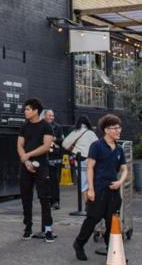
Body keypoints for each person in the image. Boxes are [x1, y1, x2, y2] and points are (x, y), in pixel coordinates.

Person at [73, 114, 128, 261]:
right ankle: (79, 244)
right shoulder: (96, 146)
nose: (118, 131)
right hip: (98, 189)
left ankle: (113, 251)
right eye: (114, 128)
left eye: (119, 127)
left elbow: (124, 169)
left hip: (113, 190)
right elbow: (89, 168)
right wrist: (90, 189)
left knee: (112, 223)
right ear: (106, 130)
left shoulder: (119, 149)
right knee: (92, 219)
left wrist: (120, 182)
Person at [17, 99, 56, 242]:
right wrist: (26, 160)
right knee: (26, 198)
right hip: (25, 166)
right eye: (25, 109)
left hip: (41, 166)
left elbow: (46, 146)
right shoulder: (24, 126)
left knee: (44, 198)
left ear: (35, 111)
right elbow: (19, 145)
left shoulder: (46, 126)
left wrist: (29, 155)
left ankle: (48, 229)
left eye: (28, 109)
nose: (25, 112)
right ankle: (28, 228)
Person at [62, 114, 98, 207]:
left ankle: (87, 205)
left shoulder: (76, 131)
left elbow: (64, 144)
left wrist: (73, 148)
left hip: (80, 160)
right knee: (92, 182)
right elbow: (98, 146)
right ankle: (94, 204)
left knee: (83, 184)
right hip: (92, 161)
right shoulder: (92, 133)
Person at [43, 109, 64, 211]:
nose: (52, 117)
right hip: (43, 155)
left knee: (54, 180)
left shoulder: (58, 127)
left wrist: (55, 139)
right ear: (45, 116)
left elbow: (62, 141)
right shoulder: (41, 126)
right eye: (50, 115)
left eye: (53, 116)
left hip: (54, 157)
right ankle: (47, 201)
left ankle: (55, 201)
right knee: (44, 180)